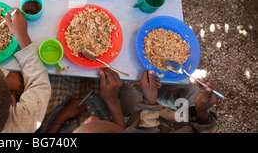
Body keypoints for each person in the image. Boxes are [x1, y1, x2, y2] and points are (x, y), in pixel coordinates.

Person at [42, 69, 220, 133]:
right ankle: (160, 90)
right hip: (168, 122)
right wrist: (202, 112)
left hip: (142, 122)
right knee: (191, 92)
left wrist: (112, 101)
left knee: (124, 90)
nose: (91, 119)